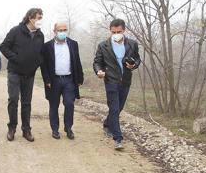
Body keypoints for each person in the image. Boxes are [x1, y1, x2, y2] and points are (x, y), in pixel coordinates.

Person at [93, 18, 141, 150]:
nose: (116, 34)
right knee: (114, 108)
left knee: (118, 108)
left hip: (125, 80)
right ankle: (118, 138)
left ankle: (107, 124)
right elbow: (97, 62)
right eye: (113, 32)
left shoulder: (132, 44)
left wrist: (133, 65)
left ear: (124, 30)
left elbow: (137, 59)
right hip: (111, 80)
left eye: (118, 31)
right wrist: (99, 71)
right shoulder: (103, 45)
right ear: (110, 31)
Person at [0, 8, 45, 142]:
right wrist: (15, 58)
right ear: (30, 18)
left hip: (29, 74)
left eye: (41, 17)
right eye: (39, 17)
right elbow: (3, 47)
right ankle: (12, 127)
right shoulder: (16, 31)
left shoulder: (40, 35)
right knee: (13, 100)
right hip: (14, 72)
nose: (40, 20)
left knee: (27, 102)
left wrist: (36, 64)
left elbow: (40, 54)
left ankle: (26, 130)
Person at [40, 22, 84, 140]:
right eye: (60, 30)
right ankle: (55, 129)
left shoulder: (73, 44)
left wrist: (80, 78)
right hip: (54, 80)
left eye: (64, 30)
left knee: (69, 103)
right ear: (54, 31)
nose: (62, 32)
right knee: (54, 105)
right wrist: (47, 80)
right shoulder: (47, 46)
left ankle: (68, 128)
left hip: (69, 80)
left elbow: (77, 61)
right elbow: (43, 65)